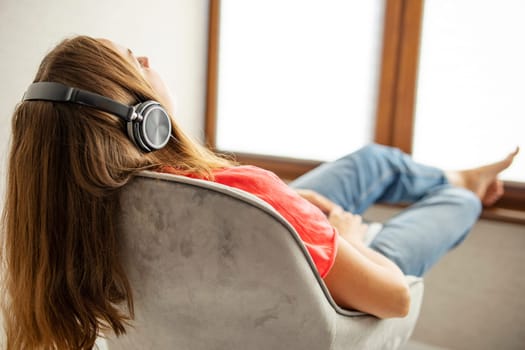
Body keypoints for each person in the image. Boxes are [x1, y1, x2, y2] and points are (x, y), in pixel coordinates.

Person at [0, 35, 518, 350]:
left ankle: (454, 176)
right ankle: (465, 189)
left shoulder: (73, 209)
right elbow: (396, 299)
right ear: (146, 122)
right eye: (134, 62)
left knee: (373, 161)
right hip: (328, 273)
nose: (147, 58)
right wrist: (345, 234)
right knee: (451, 204)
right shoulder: (245, 188)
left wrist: (296, 213)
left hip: (257, 225)